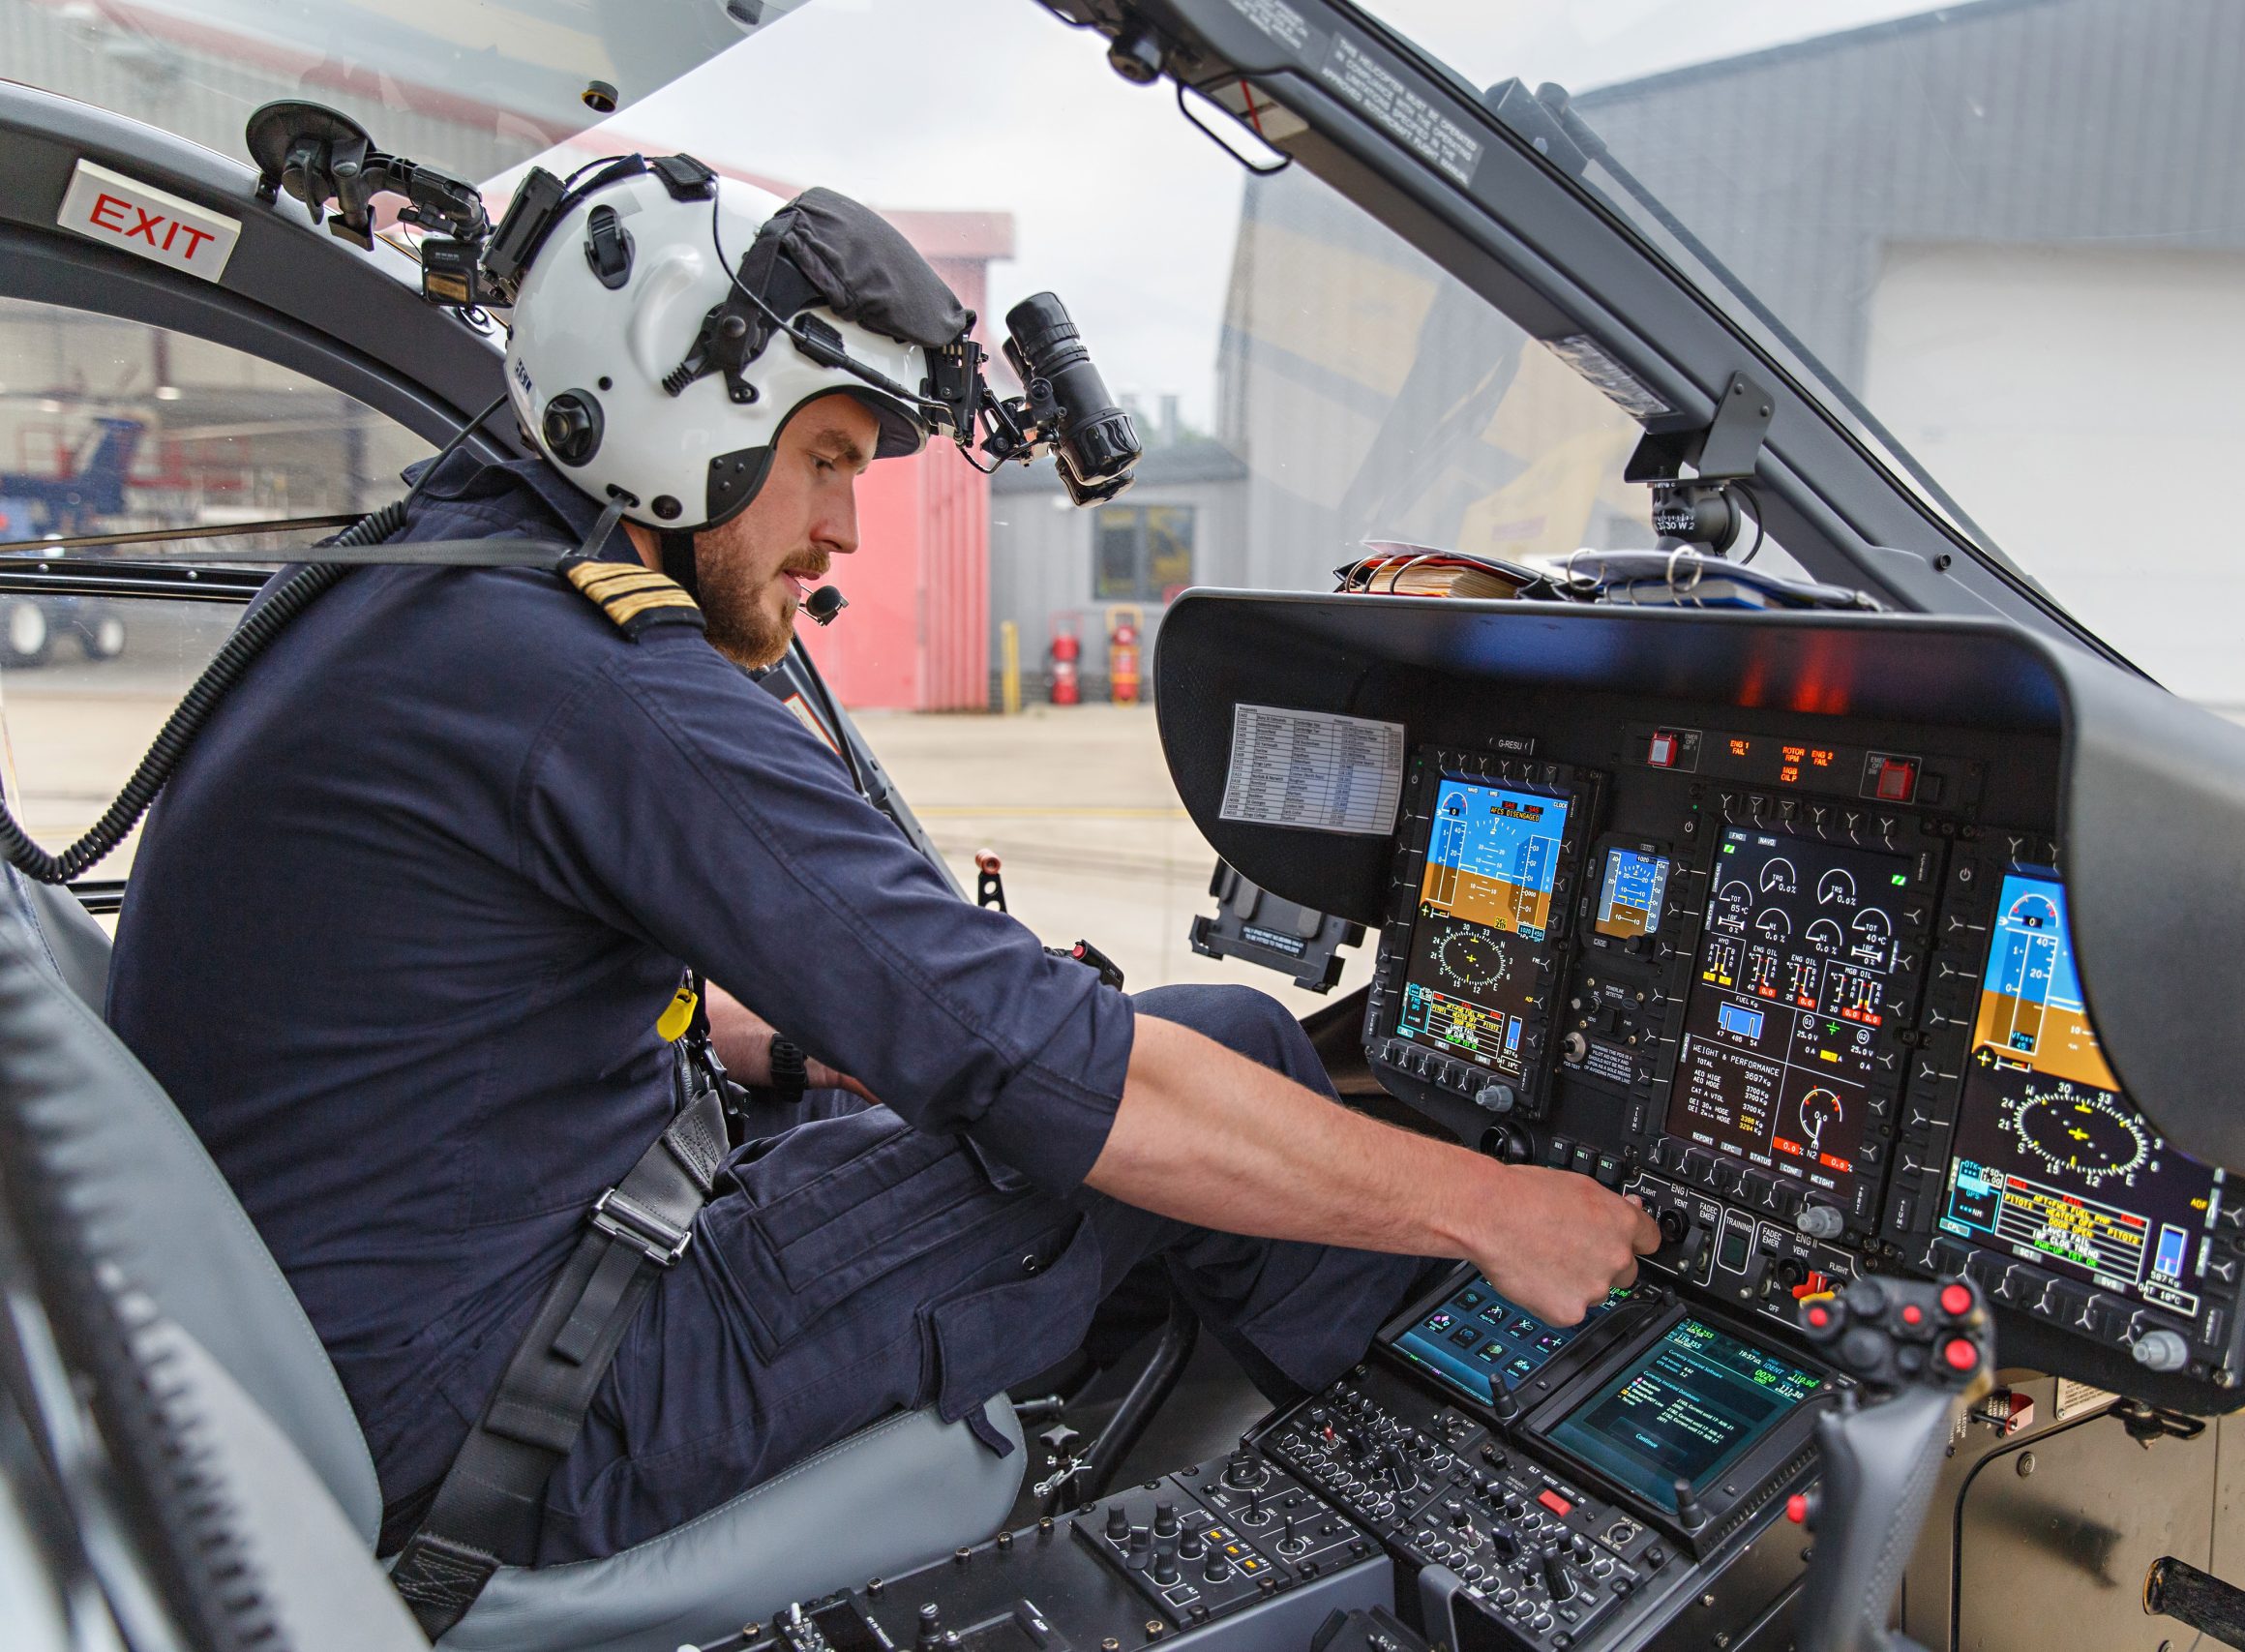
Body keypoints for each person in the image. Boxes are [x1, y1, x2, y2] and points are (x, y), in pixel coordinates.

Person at [105, 161, 1658, 1576]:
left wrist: (769, 1036)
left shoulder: (423, 598)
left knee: (1120, 1081)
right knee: (1224, 1048)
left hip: (392, 1347)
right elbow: (1050, 1066)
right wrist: (1494, 1210)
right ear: (684, 419)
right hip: (514, 1417)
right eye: (828, 460)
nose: (844, 527)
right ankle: (1505, 1544)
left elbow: (433, 1001)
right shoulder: (601, 685)